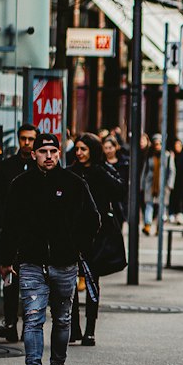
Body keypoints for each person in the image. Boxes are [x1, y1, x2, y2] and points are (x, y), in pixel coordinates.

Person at [0, 132, 100, 365]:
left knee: (63, 319)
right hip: (31, 263)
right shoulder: (21, 184)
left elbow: (92, 219)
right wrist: (6, 259)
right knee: (32, 318)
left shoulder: (73, 183)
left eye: (53, 152)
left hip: (64, 264)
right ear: (34, 154)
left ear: (59, 153)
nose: (49, 156)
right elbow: (8, 224)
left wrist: (77, 246)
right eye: (43, 152)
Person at [67, 133, 124, 347]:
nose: (79, 153)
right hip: (73, 233)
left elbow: (119, 191)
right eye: (78, 149)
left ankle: (90, 330)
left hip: (96, 235)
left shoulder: (102, 171)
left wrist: (101, 172)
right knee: (69, 281)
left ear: (92, 150)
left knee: (92, 281)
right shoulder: (71, 172)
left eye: (84, 149)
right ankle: (74, 328)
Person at [0, 124, 38, 341]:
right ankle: (10, 321)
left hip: (33, 235)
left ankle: (29, 323)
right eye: (23, 139)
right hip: (11, 231)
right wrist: (3, 224)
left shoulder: (40, 167)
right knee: (9, 279)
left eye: (30, 139)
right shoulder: (7, 166)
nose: (26, 143)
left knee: (31, 281)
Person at [140, 133, 174, 236]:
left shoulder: (167, 156)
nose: (158, 146)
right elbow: (144, 171)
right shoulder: (149, 155)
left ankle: (159, 227)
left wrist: (169, 184)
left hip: (162, 185)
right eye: (156, 144)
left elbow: (171, 170)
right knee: (149, 205)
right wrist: (142, 185)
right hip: (150, 184)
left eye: (160, 143)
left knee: (161, 207)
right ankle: (147, 225)